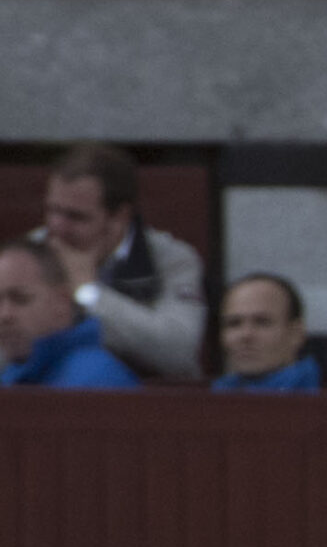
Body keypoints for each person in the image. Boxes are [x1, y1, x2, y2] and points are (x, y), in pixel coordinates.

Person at [30, 141, 205, 380]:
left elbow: (179, 352)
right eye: (52, 211)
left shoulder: (173, 260)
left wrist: (88, 292)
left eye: (76, 217)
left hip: (145, 404)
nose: (57, 228)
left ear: (120, 217)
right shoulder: (31, 252)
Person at [0, 237, 141, 388]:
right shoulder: (11, 376)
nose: (5, 315)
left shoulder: (100, 381)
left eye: (21, 299)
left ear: (62, 302)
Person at [212, 274, 320, 392]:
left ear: (296, 334)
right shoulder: (216, 396)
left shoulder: (323, 402)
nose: (246, 335)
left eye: (262, 322)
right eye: (234, 323)